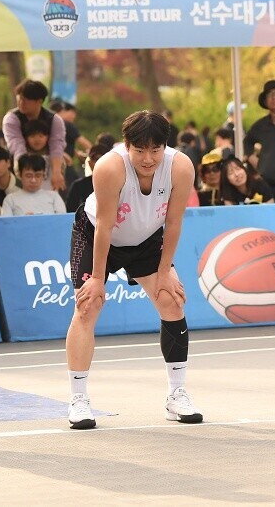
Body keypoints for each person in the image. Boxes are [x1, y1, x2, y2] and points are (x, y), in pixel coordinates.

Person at [64, 110, 201, 429]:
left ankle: (177, 394)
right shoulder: (109, 167)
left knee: (171, 300)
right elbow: (105, 226)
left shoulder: (180, 167)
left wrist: (164, 271)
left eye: (155, 150)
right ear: (126, 145)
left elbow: (174, 222)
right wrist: (98, 279)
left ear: (165, 146)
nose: (148, 159)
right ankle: (78, 399)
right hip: (97, 234)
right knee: (88, 306)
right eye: (140, 150)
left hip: (147, 238)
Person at [3, 79, 65, 191]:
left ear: (39, 101)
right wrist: (25, 171)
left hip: (47, 165)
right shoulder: (12, 118)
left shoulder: (55, 120)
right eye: (19, 99)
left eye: (25, 100)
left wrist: (57, 172)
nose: (21, 103)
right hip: (19, 162)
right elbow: (16, 145)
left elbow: (56, 145)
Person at [0, 154, 66, 216]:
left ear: (43, 175)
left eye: (38, 176)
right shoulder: (10, 200)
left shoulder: (54, 197)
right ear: (20, 175)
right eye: (28, 176)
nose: (33, 180)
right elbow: (6, 223)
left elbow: (63, 221)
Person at [65, 142, 111, 213]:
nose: (100, 163)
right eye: (97, 159)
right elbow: (70, 213)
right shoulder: (78, 186)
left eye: (104, 159)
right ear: (89, 163)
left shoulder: (119, 184)